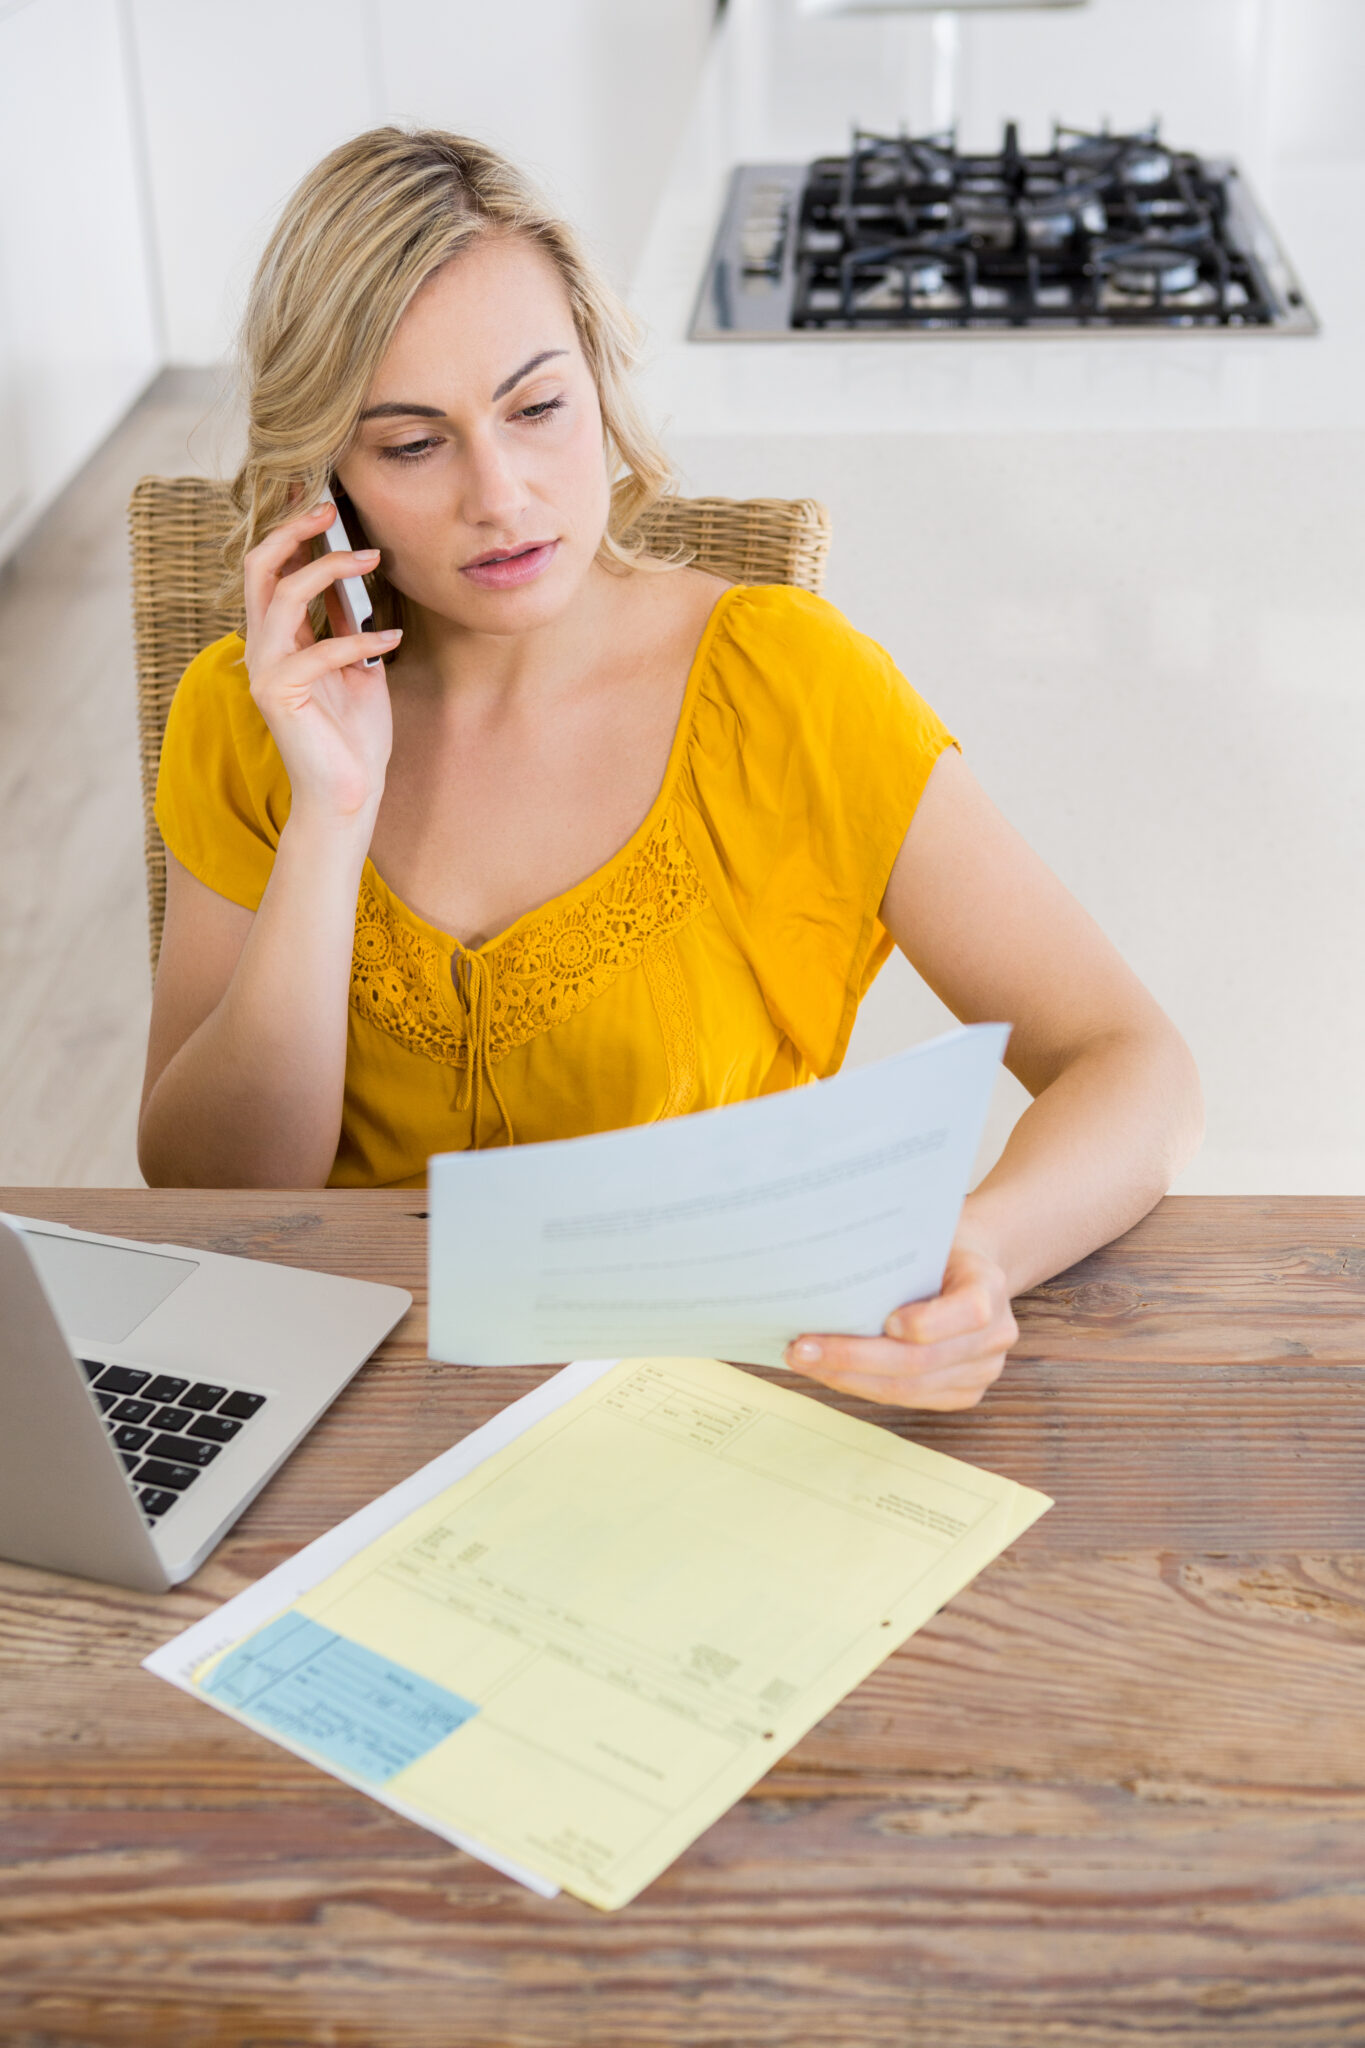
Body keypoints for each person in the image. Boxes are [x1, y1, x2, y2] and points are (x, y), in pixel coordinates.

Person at [140, 127, 1203, 1414]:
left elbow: (1131, 1060)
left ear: (599, 380)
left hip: (711, 1418)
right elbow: (219, 1190)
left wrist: (977, 1252)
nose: (504, 494)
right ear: (333, 477)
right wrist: (330, 816)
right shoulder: (247, 719)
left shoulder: (790, 688)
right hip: (339, 1422)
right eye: (412, 445)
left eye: (538, 408)